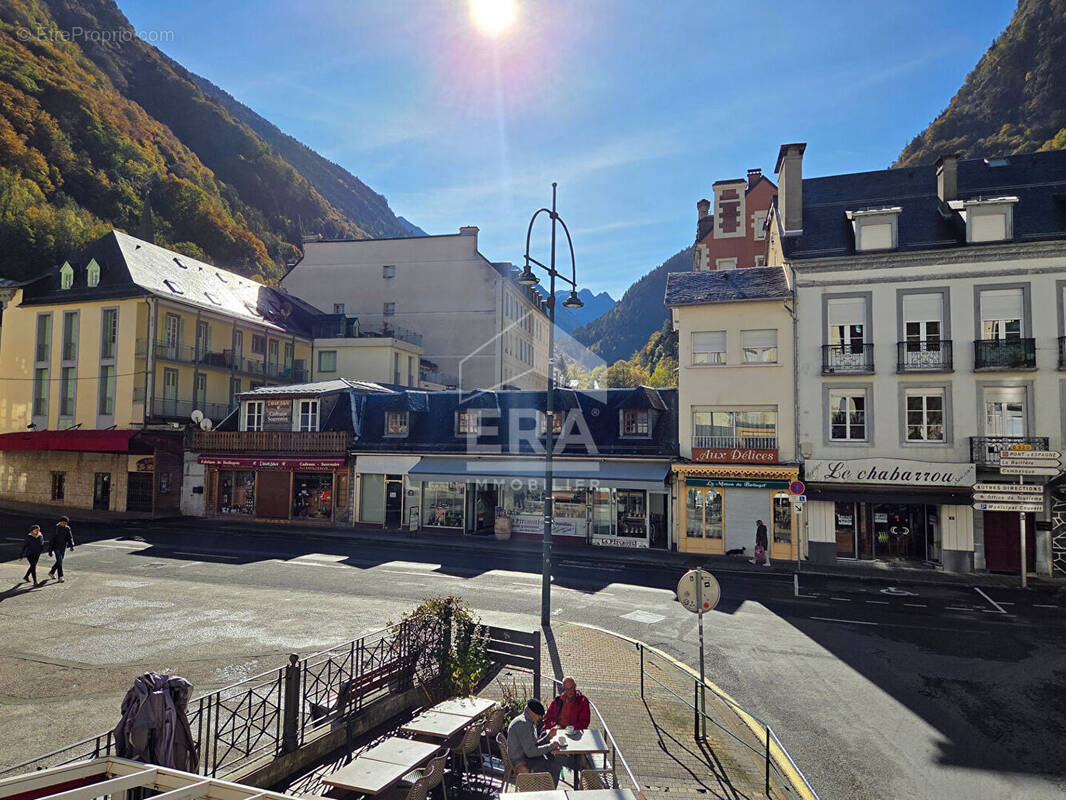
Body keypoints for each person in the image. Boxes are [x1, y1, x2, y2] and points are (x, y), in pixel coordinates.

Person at [506, 698, 563, 785]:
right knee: (555, 767)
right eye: (539, 716)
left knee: (552, 761)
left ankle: (546, 788)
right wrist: (551, 746)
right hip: (521, 761)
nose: (540, 718)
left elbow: (533, 745)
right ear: (532, 713)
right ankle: (549, 792)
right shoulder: (523, 724)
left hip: (525, 755)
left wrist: (548, 737)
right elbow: (531, 752)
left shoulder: (527, 721)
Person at [49, 515, 76, 582]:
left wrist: (71, 545)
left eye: (66, 523)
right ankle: (60, 576)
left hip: (63, 547)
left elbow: (70, 537)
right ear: (60, 522)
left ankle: (51, 572)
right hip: (56, 547)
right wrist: (50, 550)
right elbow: (52, 539)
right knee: (60, 561)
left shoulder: (67, 528)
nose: (64, 524)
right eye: (63, 523)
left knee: (59, 561)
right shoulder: (56, 528)